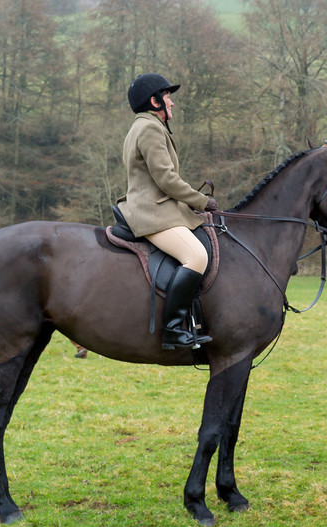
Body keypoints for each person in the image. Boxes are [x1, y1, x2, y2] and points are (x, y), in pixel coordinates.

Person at [117, 73, 218, 350]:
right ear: (154, 101)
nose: (172, 103)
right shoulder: (150, 129)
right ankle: (173, 329)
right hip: (152, 213)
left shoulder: (143, 126)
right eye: (168, 97)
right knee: (196, 256)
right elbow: (166, 179)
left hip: (158, 208)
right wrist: (200, 201)